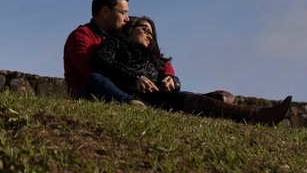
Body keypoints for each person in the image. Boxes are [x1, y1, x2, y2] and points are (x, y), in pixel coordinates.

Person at [92, 16, 293, 126]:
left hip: (159, 98)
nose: (148, 35)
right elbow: (101, 62)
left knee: (191, 98)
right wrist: (135, 76)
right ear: (130, 29)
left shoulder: (153, 58)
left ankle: (258, 115)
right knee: (195, 100)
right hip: (128, 94)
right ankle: (255, 114)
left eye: (151, 33)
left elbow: (169, 77)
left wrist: (171, 81)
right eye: (144, 29)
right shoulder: (114, 43)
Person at [63, 0, 145, 104]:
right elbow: (95, 70)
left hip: (123, 90)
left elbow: (152, 54)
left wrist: (169, 77)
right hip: (90, 95)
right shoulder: (80, 36)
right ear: (105, 12)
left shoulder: (120, 37)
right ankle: (131, 103)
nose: (127, 18)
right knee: (96, 78)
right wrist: (132, 76)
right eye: (123, 12)